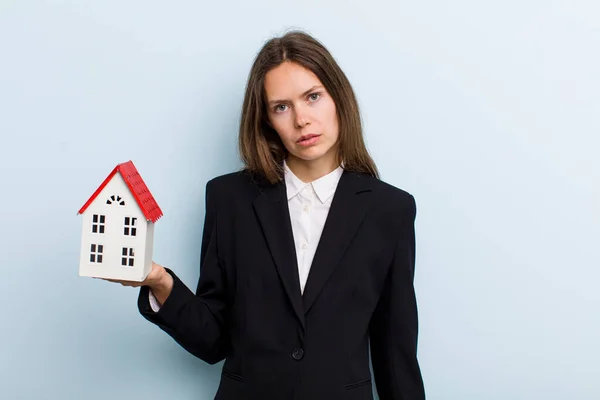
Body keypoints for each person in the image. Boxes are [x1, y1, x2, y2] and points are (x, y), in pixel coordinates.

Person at [107, 30, 426, 399]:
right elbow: (213, 341)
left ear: (338, 98)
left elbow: (394, 352)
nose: (301, 120)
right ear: (266, 121)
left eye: (313, 97)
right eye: (281, 107)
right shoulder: (230, 199)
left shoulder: (390, 210)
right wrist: (161, 283)